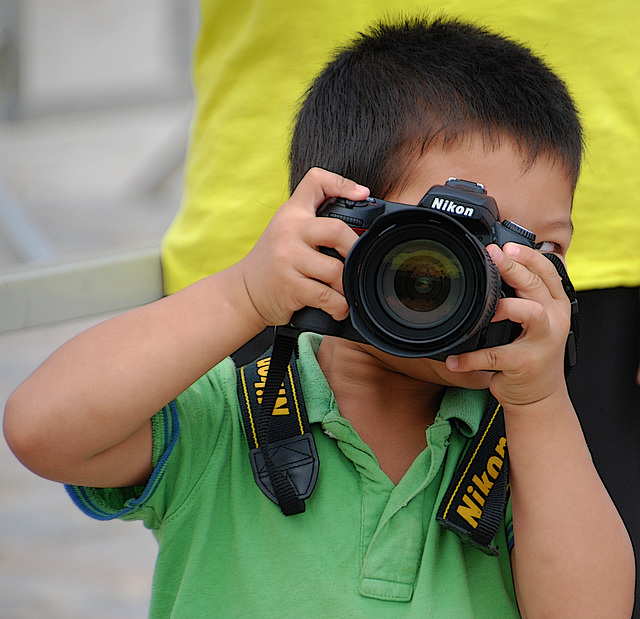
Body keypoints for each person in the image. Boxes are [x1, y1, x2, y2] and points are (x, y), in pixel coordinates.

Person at [3, 16, 634, 617]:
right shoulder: (231, 412)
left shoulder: (528, 450)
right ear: (339, 225)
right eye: (445, 246)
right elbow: (41, 431)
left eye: (540, 249)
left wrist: (539, 405)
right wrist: (242, 297)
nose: (498, 274)